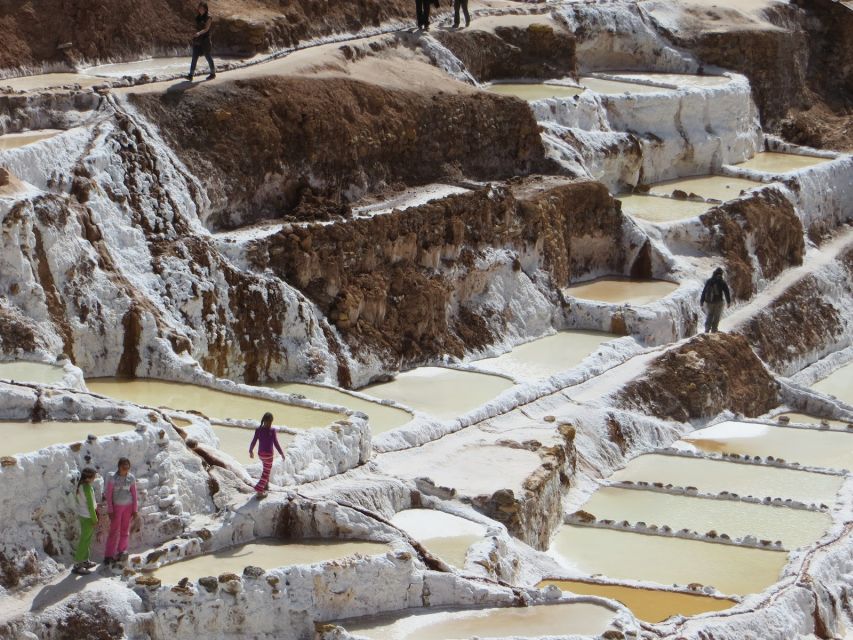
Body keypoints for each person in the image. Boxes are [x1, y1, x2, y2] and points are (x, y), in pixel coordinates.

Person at [103, 457, 139, 567]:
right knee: (114, 531)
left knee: (125, 530)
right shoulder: (113, 479)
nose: (126, 469)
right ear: (119, 467)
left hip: (128, 507)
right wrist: (110, 510)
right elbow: (109, 496)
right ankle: (109, 555)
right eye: (124, 467)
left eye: (128, 467)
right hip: (117, 508)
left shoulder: (131, 478)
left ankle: (121, 551)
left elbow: (134, 494)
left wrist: (135, 510)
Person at [249, 412, 285, 496]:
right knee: (266, 472)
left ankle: (266, 485)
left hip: (261, 454)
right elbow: (276, 443)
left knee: (266, 470)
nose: (269, 424)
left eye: (270, 422)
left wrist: (251, 450)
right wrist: (282, 453)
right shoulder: (272, 430)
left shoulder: (259, 429)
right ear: (264, 421)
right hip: (268, 455)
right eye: (269, 422)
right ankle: (259, 491)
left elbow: (254, 441)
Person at [72, 468, 99, 575]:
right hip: (88, 517)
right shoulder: (87, 488)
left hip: (83, 515)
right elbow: (91, 506)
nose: (95, 478)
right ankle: (77, 565)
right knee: (84, 541)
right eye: (93, 477)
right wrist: (95, 519)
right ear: (88, 478)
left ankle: (85, 561)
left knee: (87, 539)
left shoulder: (81, 486)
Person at [188, 2, 216, 81]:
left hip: (205, 40)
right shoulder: (198, 17)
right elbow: (195, 27)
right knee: (194, 57)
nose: (200, 10)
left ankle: (213, 73)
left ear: (205, 9)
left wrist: (199, 33)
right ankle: (191, 75)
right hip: (197, 40)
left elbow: (206, 29)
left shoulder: (209, 17)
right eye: (199, 8)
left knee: (208, 57)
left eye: (202, 8)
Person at [700, 267, 731, 333]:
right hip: (718, 302)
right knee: (717, 316)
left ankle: (707, 329)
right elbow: (726, 292)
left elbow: (704, 291)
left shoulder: (709, 281)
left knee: (710, 315)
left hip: (709, 302)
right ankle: (714, 330)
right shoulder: (722, 281)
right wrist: (728, 302)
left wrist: (702, 301)